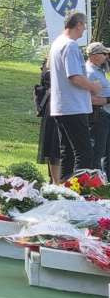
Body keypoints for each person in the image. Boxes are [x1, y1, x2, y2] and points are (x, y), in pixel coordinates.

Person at [48, 12, 103, 178]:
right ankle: (81, 193)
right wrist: (93, 86)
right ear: (78, 24)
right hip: (73, 106)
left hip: (61, 106)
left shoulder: (57, 42)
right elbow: (74, 76)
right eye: (84, 25)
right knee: (84, 152)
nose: (84, 29)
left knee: (68, 153)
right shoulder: (70, 45)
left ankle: (66, 191)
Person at [84, 42, 110, 172]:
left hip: (104, 114)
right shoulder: (89, 72)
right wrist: (108, 100)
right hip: (98, 116)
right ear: (94, 56)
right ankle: (95, 184)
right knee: (98, 152)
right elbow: (88, 99)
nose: (107, 56)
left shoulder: (99, 70)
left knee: (106, 152)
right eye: (104, 54)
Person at [36, 59, 62, 183]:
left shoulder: (49, 69)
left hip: (54, 108)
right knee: (54, 145)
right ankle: (55, 180)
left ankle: (55, 180)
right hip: (54, 109)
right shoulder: (50, 72)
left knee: (55, 145)